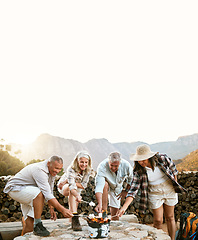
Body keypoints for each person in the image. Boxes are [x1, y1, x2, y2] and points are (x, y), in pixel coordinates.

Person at [117, 144, 187, 240]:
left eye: (143, 159)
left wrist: (175, 187)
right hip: (154, 192)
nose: (141, 162)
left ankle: (172, 239)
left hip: (169, 190)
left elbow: (174, 172)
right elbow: (133, 190)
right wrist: (124, 208)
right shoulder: (138, 171)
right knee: (158, 220)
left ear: (149, 157)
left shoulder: (162, 159)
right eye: (139, 159)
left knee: (170, 217)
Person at [4, 156, 73, 237]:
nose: (57, 171)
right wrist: (62, 210)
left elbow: (49, 190)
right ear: (48, 163)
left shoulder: (51, 171)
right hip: (15, 188)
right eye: (56, 168)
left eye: (60, 169)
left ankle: (27, 233)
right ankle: (38, 224)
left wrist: (51, 208)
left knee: (29, 223)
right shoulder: (39, 170)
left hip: (29, 191)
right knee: (40, 193)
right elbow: (46, 194)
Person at [57, 150, 95, 231]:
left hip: (76, 188)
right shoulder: (71, 169)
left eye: (86, 162)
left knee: (74, 204)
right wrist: (71, 184)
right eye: (82, 162)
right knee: (73, 192)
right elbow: (71, 187)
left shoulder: (88, 170)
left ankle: (72, 224)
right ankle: (75, 217)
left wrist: (73, 183)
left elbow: (83, 185)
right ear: (77, 161)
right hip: (63, 187)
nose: (84, 164)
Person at [94, 152, 133, 220]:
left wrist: (126, 191)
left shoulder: (126, 165)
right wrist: (99, 203)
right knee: (104, 185)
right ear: (108, 162)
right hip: (106, 186)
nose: (113, 168)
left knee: (115, 215)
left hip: (117, 188)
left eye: (116, 166)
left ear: (120, 163)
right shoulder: (102, 166)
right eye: (111, 165)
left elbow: (131, 179)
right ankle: (104, 213)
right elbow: (99, 187)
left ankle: (113, 224)